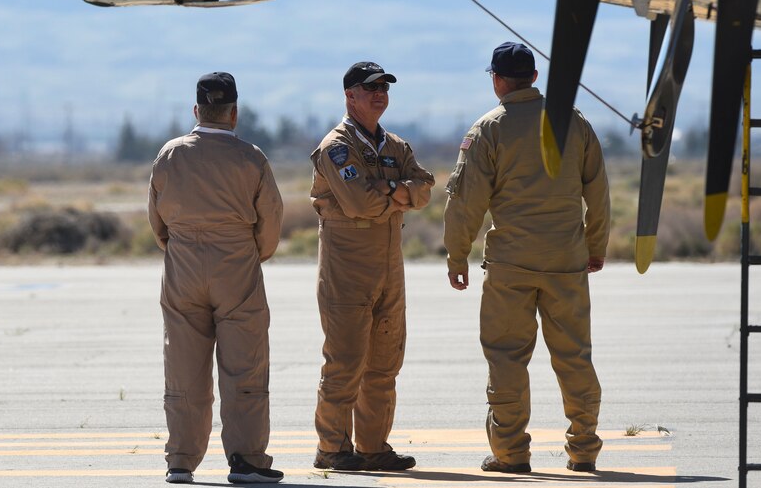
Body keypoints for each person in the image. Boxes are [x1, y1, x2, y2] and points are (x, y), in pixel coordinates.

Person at [443, 42, 610, 474]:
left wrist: (456, 256)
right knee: (574, 355)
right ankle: (584, 449)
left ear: (497, 80)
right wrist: (596, 247)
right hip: (566, 260)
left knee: (506, 357)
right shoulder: (573, 122)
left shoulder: (489, 128)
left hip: (511, 265)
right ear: (534, 78)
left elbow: (467, 202)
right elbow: (599, 193)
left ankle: (511, 453)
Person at [148, 72, 285, 485]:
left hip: (184, 266)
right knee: (244, 366)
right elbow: (271, 223)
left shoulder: (170, 155)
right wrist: (249, 255)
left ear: (196, 110)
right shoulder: (251, 158)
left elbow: (157, 222)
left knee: (184, 364)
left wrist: (182, 248)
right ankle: (246, 460)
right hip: (236, 265)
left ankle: (180, 461)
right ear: (234, 113)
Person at [309, 61, 435, 472]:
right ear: (350, 96)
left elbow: (426, 190)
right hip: (347, 271)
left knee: (383, 364)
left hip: (388, 270)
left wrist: (392, 188)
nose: (380, 92)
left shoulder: (395, 146)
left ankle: (373, 447)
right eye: (370, 87)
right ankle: (332, 448)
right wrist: (400, 195)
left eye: (384, 86)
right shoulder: (337, 147)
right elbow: (359, 203)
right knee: (345, 363)